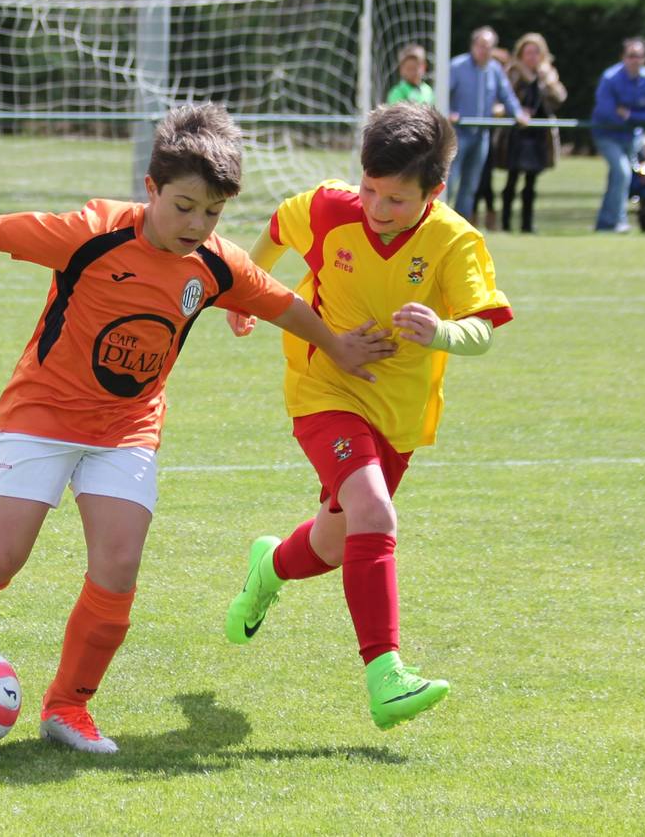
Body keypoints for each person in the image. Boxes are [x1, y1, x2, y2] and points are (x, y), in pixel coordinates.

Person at [0, 104, 394, 755]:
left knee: (117, 566)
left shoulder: (216, 265)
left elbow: (281, 303)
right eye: (183, 206)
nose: (196, 225)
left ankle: (67, 708)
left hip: (126, 429)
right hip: (40, 416)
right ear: (150, 190)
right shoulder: (91, 231)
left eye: (212, 214)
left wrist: (336, 346)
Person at [219, 102, 514, 731]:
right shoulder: (331, 209)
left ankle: (267, 569)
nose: (378, 210)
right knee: (375, 514)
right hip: (321, 385)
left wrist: (442, 332)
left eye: (397, 200)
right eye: (369, 190)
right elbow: (278, 224)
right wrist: (246, 291)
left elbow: (484, 329)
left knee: (332, 545)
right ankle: (387, 677)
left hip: (396, 413)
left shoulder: (454, 241)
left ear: (435, 191)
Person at [447, 27, 530, 224]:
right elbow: (443, 94)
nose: (485, 50)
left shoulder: (495, 70)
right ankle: (433, 222)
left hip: (482, 136)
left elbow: (506, 95)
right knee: (449, 181)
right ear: (473, 46)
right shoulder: (457, 66)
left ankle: (459, 226)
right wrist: (449, 112)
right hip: (457, 134)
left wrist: (518, 114)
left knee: (471, 184)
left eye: (489, 46)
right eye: (481, 46)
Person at [591, 37, 645, 232]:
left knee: (620, 177)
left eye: (639, 56)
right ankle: (618, 221)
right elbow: (606, 112)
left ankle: (605, 223)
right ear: (623, 57)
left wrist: (628, 114)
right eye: (631, 56)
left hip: (632, 137)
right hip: (607, 135)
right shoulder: (610, 78)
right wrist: (633, 118)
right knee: (622, 172)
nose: (635, 60)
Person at [500, 33, 568, 234]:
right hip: (516, 133)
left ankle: (527, 225)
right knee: (512, 180)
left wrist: (546, 81)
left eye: (536, 52)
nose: (532, 56)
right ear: (521, 53)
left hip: (538, 134)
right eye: (528, 52)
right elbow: (504, 98)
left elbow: (560, 98)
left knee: (531, 181)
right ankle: (505, 223)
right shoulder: (512, 72)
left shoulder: (548, 75)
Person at [471, 46, 514, 230]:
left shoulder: (499, 79)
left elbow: (508, 100)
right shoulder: (479, 77)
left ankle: (490, 219)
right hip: (477, 134)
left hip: (491, 138)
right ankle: (473, 217)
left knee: (486, 180)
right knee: (477, 180)